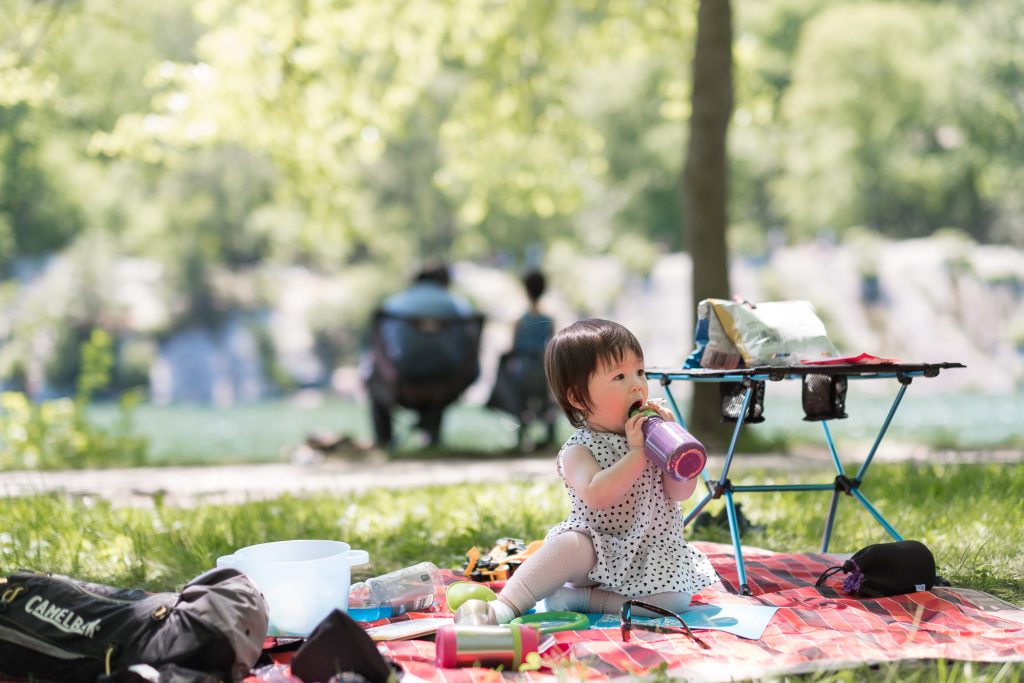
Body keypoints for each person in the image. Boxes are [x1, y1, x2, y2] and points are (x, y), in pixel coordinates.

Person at [486, 318, 720, 623]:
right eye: (619, 376)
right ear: (578, 397)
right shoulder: (580, 448)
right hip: (597, 549)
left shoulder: (654, 439)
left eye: (640, 371)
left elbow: (680, 492)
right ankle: (506, 604)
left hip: (649, 555)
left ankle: (581, 599)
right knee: (567, 546)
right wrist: (637, 453)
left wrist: (678, 451)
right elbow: (597, 494)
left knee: (677, 599)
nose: (637, 384)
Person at [363, 263, 482, 449]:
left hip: (401, 379)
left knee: (372, 376)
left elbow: (382, 345)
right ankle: (432, 433)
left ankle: (384, 440)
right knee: (440, 363)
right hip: (447, 380)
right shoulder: (457, 305)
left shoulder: (395, 304)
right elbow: (469, 340)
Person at [486, 270, 557, 450]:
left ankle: (520, 432)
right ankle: (550, 432)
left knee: (511, 385)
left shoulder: (519, 320)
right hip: (542, 371)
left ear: (525, 290)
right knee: (546, 398)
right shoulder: (548, 320)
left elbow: (513, 348)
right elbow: (552, 347)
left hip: (522, 371)